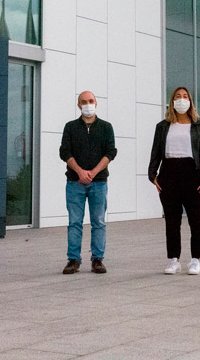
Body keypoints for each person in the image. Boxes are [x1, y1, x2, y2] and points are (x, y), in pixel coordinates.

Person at [148, 87, 200, 275]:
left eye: (185, 97)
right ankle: (173, 259)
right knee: (172, 220)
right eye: (177, 97)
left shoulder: (199, 125)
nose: (181, 100)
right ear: (172, 101)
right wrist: (153, 175)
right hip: (169, 174)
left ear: (190, 102)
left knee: (197, 220)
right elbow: (155, 152)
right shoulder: (162, 126)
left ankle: (195, 259)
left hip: (192, 173)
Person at [59, 91, 117, 274]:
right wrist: (80, 172)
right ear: (78, 105)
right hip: (75, 182)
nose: (88, 104)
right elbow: (64, 152)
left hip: (99, 182)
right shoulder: (70, 127)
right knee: (74, 222)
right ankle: (73, 260)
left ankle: (98, 259)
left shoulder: (106, 127)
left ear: (96, 103)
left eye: (91, 101)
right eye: (83, 102)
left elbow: (111, 152)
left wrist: (93, 172)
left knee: (98, 221)